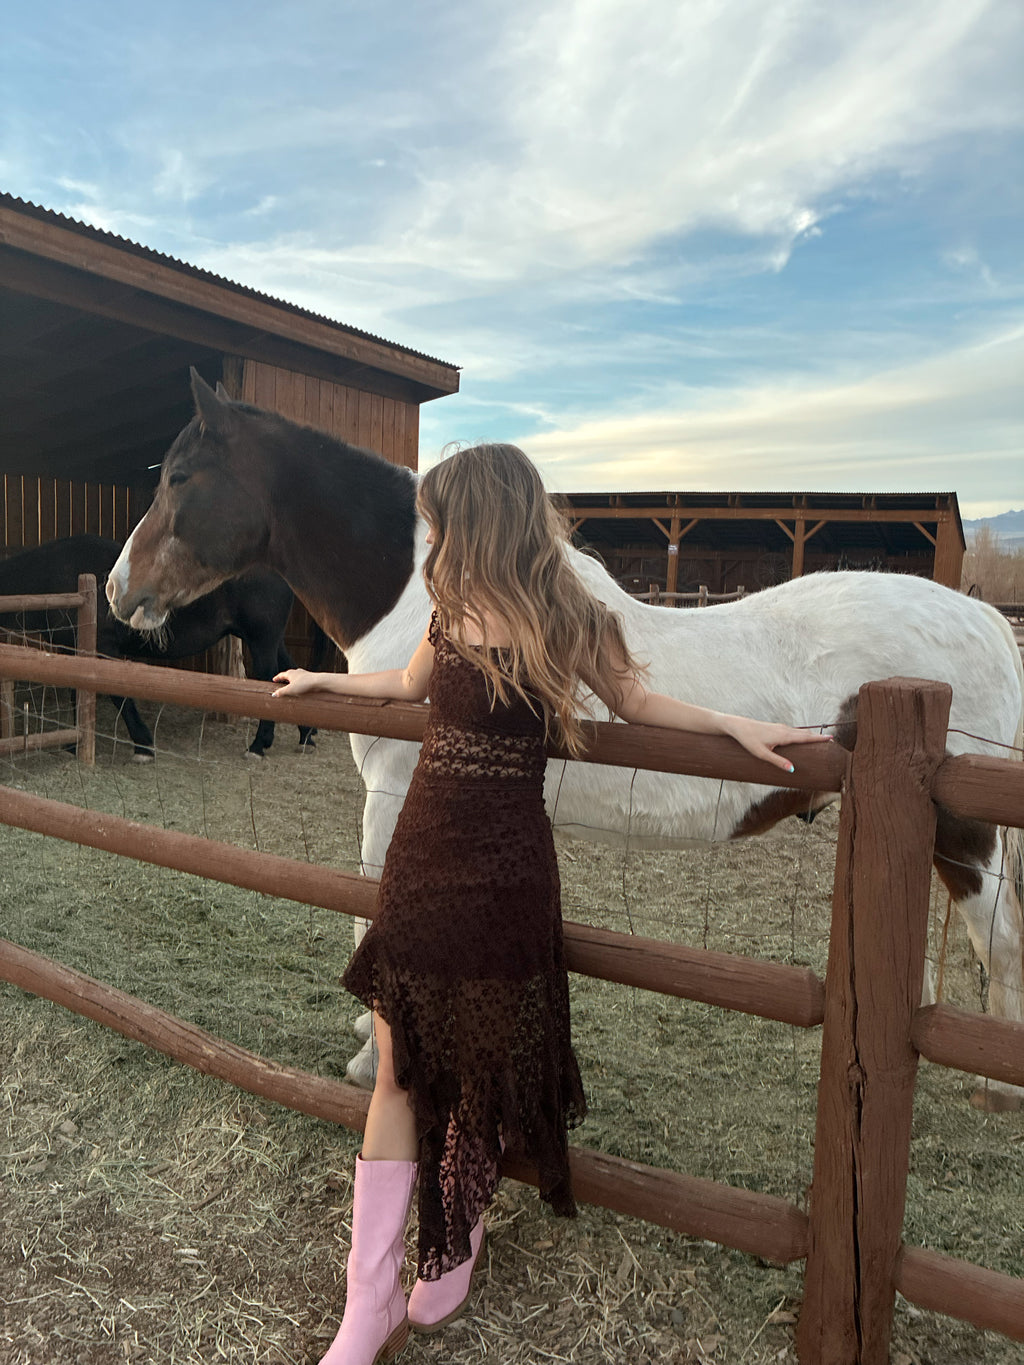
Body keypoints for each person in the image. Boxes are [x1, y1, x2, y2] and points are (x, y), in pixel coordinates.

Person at [271, 443, 831, 1365]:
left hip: (507, 871)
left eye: (444, 518)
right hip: (421, 860)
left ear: (482, 517)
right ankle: (366, 1304)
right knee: (398, 1067)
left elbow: (638, 702)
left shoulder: (570, 616)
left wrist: (734, 723)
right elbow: (408, 687)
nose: (434, 536)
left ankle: (457, 1232)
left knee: (485, 1061)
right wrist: (326, 679)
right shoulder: (445, 610)